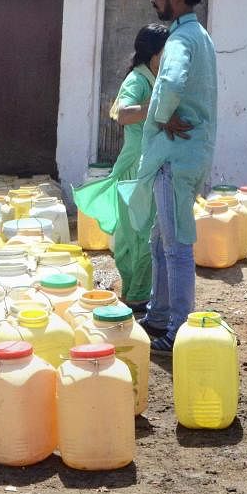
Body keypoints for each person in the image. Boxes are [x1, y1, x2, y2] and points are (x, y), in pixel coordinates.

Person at [120, 0, 217, 354]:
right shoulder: (199, 36)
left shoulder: (179, 40)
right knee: (160, 241)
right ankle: (159, 314)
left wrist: (162, 115)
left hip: (173, 158)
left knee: (174, 244)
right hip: (182, 155)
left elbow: (172, 81)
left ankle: (178, 326)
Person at [74, 24, 169, 310]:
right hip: (135, 169)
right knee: (137, 233)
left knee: (146, 231)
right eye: (167, 50)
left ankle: (141, 290)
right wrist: (155, 105)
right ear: (155, 53)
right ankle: (136, 293)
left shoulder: (153, 78)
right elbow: (123, 114)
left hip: (148, 165)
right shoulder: (137, 81)